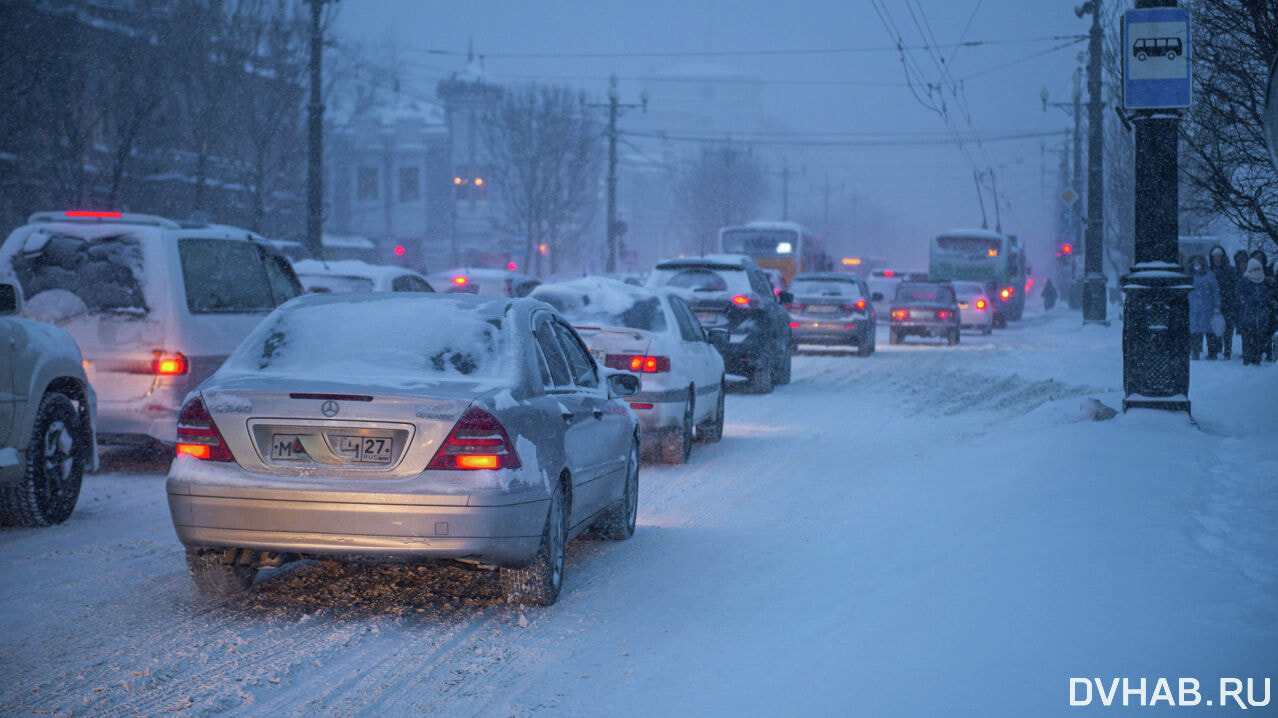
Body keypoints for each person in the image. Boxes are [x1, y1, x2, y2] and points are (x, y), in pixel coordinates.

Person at [1237, 258, 1272, 365]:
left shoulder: (1264, 282)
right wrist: (1251, 300)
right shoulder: (1244, 281)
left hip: (1261, 318)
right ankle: (1247, 359)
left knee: (1259, 339)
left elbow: (1268, 296)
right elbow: (1239, 296)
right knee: (1247, 339)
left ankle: (1257, 358)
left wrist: (1263, 301)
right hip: (1247, 316)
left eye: (1258, 268)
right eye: (1254, 269)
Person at [1186, 255, 1220, 360]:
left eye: (1198, 263)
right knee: (1195, 332)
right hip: (1194, 308)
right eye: (1194, 263)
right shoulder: (1190, 275)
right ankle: (1195, 352)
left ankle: (1212, 353)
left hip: (1207, 308)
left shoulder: (1210, 275)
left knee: (1210, 331)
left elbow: (1215, 291)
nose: (1196, 265)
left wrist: (1217, 306)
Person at [1207, 246, 1236, 359]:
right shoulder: (1209, 271)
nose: (1217, 258)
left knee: (1228, 329)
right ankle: (1215, 350)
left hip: (1228, 303)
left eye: (1219, 256)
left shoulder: (1230, 270)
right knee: (1214, 327)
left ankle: (1227, 351)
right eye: (1215, 256)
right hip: (1214, 304)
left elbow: (1234, 286)